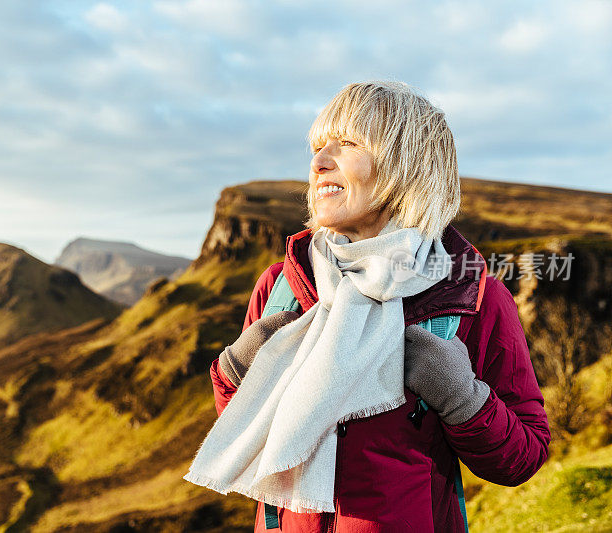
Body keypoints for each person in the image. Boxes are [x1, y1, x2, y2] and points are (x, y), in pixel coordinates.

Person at [183, 81, 550, 532]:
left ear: (407, 165)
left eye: (348, 143)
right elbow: (249, 427)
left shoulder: (473, 299)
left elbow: (522, 458)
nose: (318, 163)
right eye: (318, 148)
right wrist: (235, 372)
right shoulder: (281, 286)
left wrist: (462, 397)